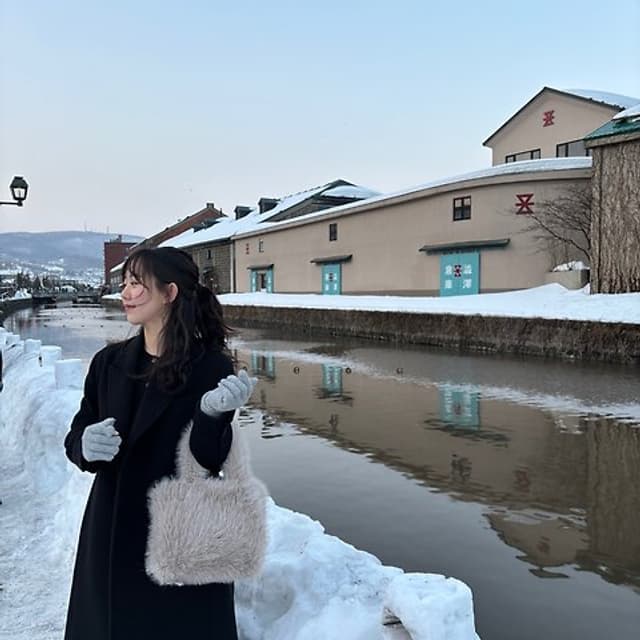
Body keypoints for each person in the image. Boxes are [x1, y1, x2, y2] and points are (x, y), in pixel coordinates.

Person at [63, 247, 256, 640]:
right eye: (125, 283)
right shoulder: (108, 363)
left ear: (169, 293)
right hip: (113, 524)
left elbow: (210, 458)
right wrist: (84, 443)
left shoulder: (211, 367)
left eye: (137, 283)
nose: (125, 293)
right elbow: (80, 427)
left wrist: (212, 416)